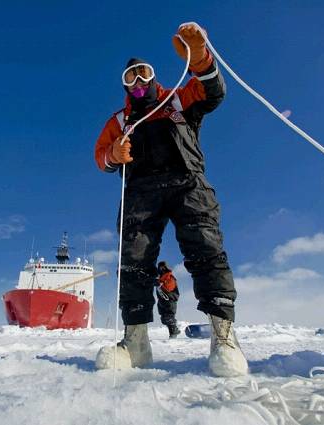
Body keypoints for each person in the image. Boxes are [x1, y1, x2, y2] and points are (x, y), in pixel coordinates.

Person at [93, 23, 248, 376]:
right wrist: (115, 154)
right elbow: (100, 156)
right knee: (133, 260)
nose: (138, 82)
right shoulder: (119, 120)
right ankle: (135, 342)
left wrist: (201, 58)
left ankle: (223, 337)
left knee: (207, 250)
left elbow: (213, 93)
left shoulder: (177, 98)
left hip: (187, 183)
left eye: (143, 73)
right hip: (140, 192)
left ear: (153, 75)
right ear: (124, 84)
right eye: (130, 78)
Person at [155, 261, 181, 338]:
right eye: (160, 267)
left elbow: (169, 287)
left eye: (163, 267)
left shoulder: (169, 276)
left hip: (170, 300)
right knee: (164, 318)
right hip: (162, 300)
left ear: (166, 267)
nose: (161, 268)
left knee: (169, 317)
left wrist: (159, 283)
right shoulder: (159, 277)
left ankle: (173, 333)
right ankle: (174, 330)